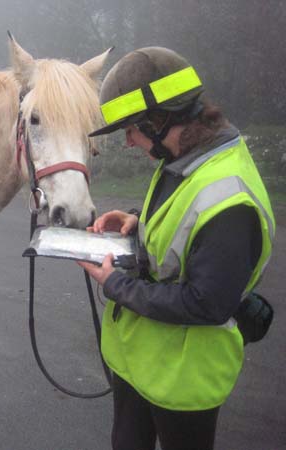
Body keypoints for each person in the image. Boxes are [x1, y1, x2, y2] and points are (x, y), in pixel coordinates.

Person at [78, 47, 275, 450]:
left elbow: (205, 303)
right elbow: (184, 225)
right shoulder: (188, 158)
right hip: (141, 360)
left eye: (131, 129)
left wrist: (114, 284)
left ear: (159, 119)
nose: (129, 142)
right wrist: (138, 222)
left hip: (184, 380)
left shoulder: (230, 201)